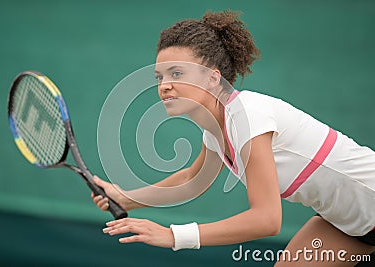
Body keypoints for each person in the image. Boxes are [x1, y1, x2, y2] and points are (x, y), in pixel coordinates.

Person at [92, 10, 375, 266]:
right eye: (159, 77)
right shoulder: (217, 128)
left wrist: (173, 236)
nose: (165, 85)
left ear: (213, 78)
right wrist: (125, 197)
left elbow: (267, 220)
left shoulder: (248, 115)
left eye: (176, 73)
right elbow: (191, 180)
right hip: (347, 225)